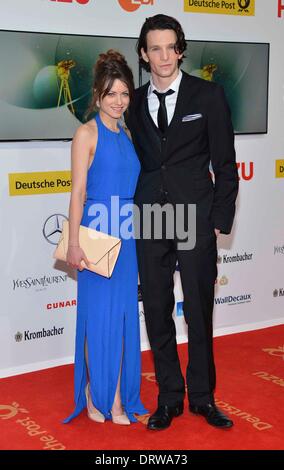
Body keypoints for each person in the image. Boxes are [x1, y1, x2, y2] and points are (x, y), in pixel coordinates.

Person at [126, 15, 239, 430]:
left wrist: (217, 220)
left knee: (197, 309)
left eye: (171, 47)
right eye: (154, 48)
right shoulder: (134, 102)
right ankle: (170, 398)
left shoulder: (208, 96)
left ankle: (204, 398)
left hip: (195, 216)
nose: (164, 56)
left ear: (181, 49)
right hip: (152, 215)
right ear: (143, 54)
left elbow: (226, 165)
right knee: (156, 309)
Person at [63, 50, 148, 426]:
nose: (119, 101)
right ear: (97, 95)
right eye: (111, 94)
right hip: (97, 234)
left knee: (124, 319)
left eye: (125, 93)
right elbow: (78, 191)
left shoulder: (128, 134)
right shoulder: (87, 133)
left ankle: (117, 396)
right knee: (99, 319)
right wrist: (75, 243)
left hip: (127, 235)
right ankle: (98, 396)